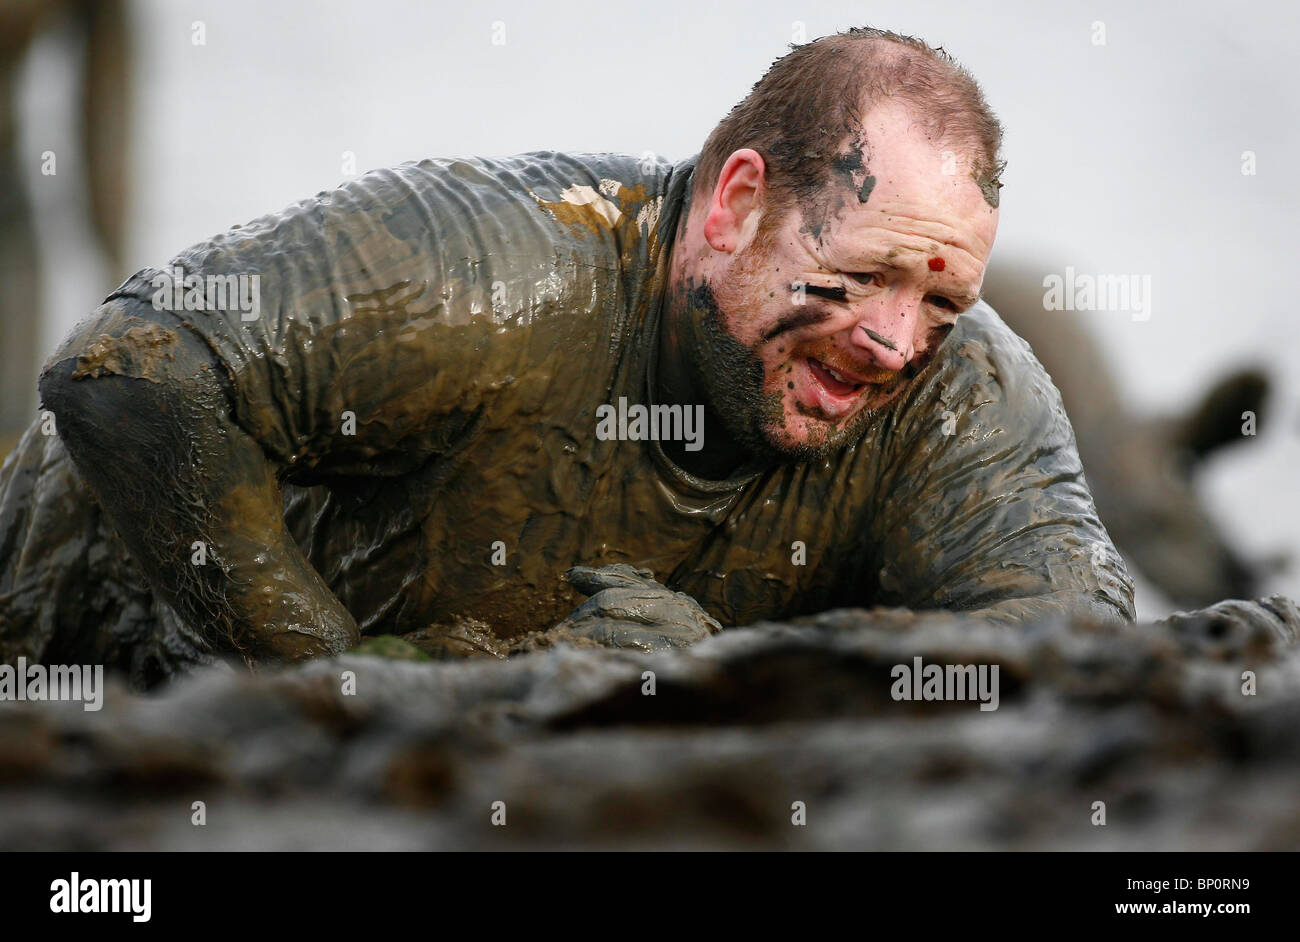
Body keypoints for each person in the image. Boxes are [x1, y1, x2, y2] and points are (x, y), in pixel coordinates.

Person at [2, 28, 1148, 686]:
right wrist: (347, 687)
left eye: (941, 296)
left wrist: (739, 680)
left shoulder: (957, 397)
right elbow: (127, 374)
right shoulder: (493, 269)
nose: (897, 340)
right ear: (736, 206)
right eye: (859, 276)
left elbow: (1080, 654)